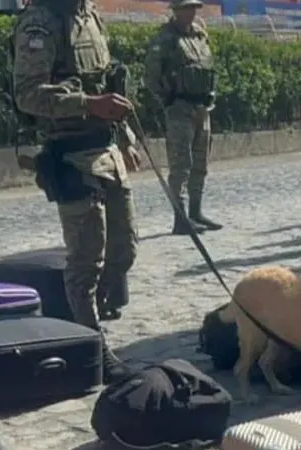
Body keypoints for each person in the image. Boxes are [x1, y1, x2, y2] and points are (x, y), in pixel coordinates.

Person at [11, 0, 140, 383]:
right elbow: (28, 95)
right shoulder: (39, 22)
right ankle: (93, 346)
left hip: (107, 149)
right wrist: (89, 105)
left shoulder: (90, 14)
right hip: (70, 155)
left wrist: (127, 135)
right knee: (86, 261)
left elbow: (107, 82)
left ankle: (83, 316)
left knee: (125, 249)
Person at [144, 0, 221, 235]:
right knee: (181, 165)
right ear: (175, 11)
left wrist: (211, 95)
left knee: (200, 164)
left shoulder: (200, 36)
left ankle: (196, 212)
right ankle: (180, 218)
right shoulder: (165, 40)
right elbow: (151, 78)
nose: (190, 13)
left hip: (202, 107)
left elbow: (208, 68)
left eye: (193, 8)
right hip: (180, 108)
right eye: (185, 8)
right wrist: (168, 101)